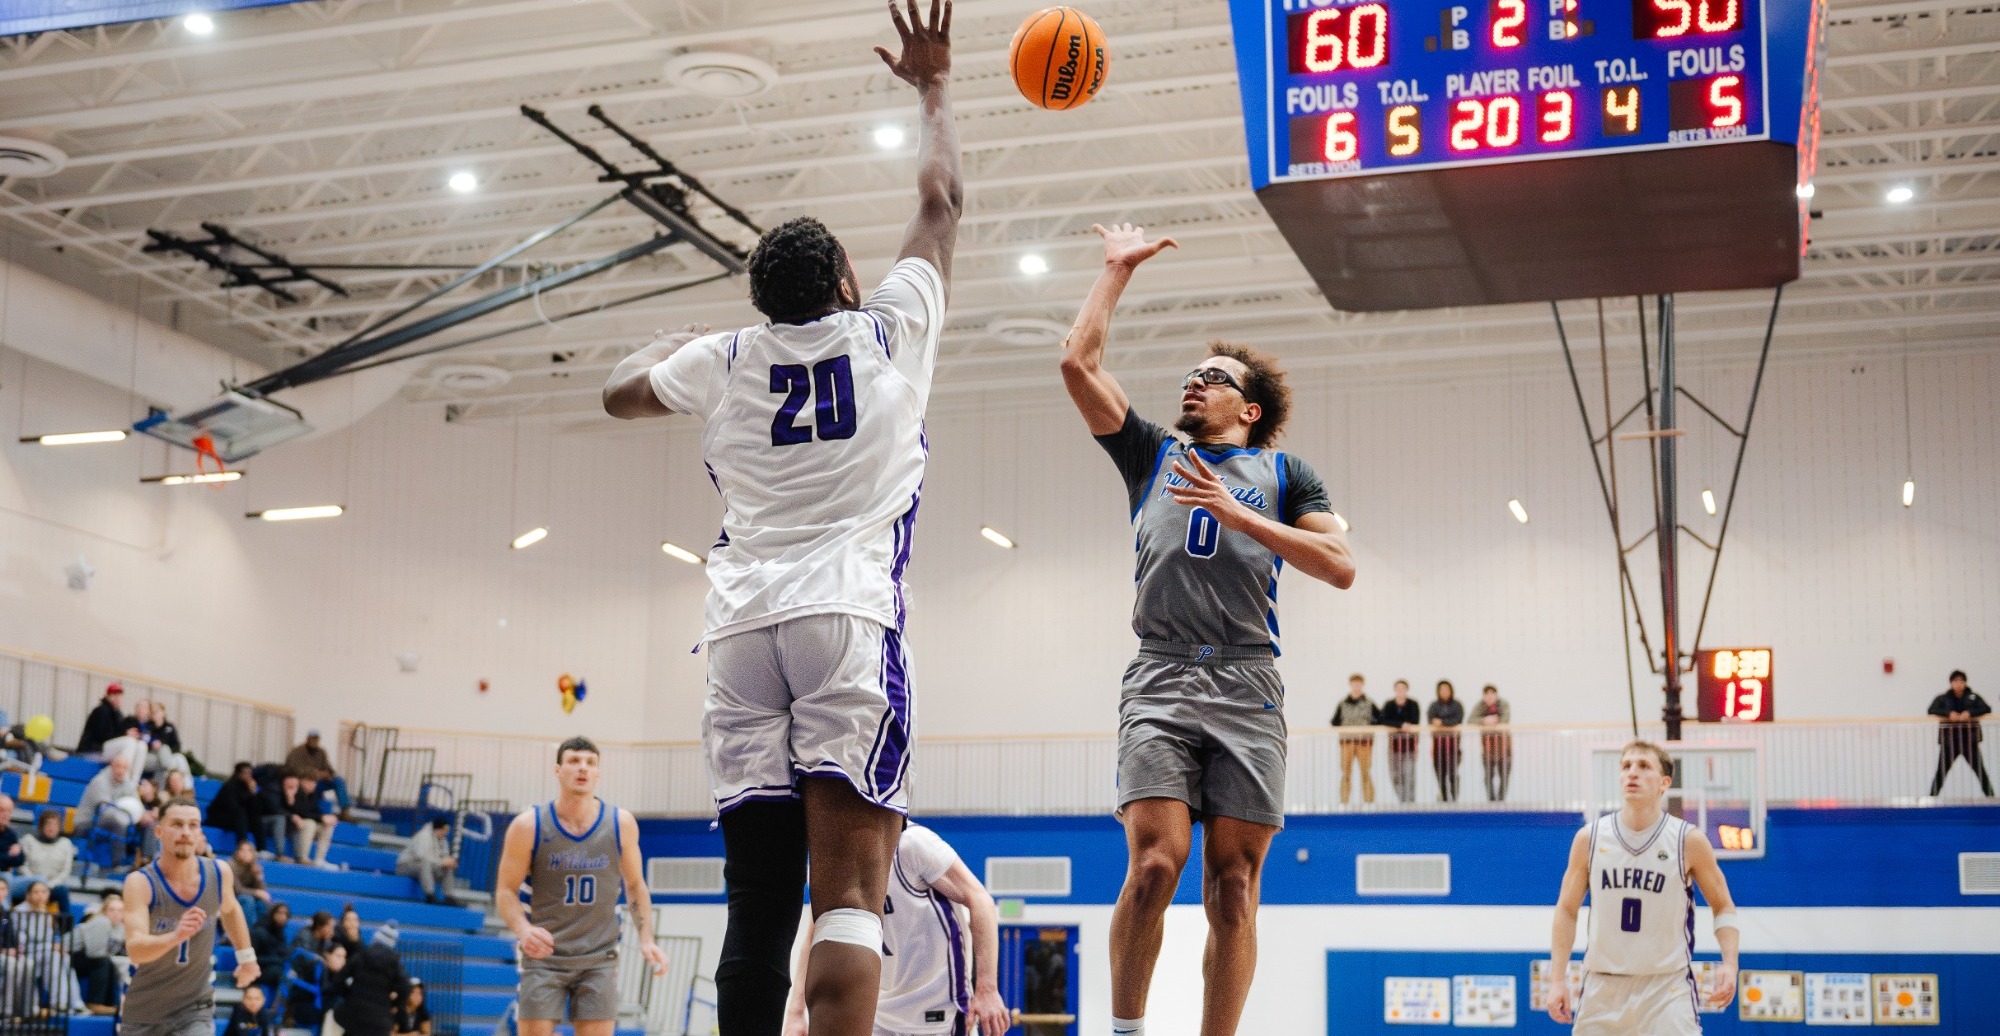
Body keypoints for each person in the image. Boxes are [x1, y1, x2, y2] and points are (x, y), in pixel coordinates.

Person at [597, 4, 962, 1034]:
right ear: (845, 283)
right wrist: (931, 87)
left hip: (739, 631)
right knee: (848, 893)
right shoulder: (886, 333)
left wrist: (666, 346)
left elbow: (618, 393)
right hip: (843, 618)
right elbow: (941, 202)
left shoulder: (724, 361)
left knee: (755, 903)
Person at [1059, 221, 1356, 1036]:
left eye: (1213, 378)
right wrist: (1116, 272)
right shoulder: (1152, 453)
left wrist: (1239, 514)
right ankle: (1124, 1030)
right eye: (1190, 375)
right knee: (1155, 865)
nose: (1193, 383)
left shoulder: (1286, 474)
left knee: (1233, 888)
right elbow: (1076, 366)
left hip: (1247, 677)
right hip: (1159, 674)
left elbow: (1340, 563)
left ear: (1248, 409)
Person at [1548, 741, 1741, 1034]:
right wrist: (1557, 980)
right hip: (1603, 987)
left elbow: (1723, 905)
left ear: (1664, 783)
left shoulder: (1688, 841)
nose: (1632, 773)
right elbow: (1566, 910)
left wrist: (1730, 963)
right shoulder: (1590, 838)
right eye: (1626, 766)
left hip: (1666, 988)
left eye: (1643, 766)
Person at [495, 737, 669, 1036]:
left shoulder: (620, 823)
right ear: (558, 770)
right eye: (574, 761)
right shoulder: (528, 826)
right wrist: (523, 931)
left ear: (598, 773)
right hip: (543, 956)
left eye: (590, 763)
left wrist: (647, 939)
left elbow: (635, 885)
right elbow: (505, 891)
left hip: (598, 958)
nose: (582, 768)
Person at [783, 822, 1011, 1036]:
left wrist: (987, 988)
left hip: (936, 1009)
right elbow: (817, 934)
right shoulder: (836, 856)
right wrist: (795, 1012)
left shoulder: (913, 844)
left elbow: (981, 900)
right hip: (880, 1012)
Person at [120, 796, 260, 1036]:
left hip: (195, 1009)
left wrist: (246, 957)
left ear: (200, 833)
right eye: (177, 824)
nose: (185, 832)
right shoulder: (140, 883)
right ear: (159, 831)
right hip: (145, 1012)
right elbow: (136, 949)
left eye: (193, 825)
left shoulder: (219, 872)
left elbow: (231, 910)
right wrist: (176, 935)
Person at [12, 879, 84, 1013]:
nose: (40, 895)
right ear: (28, 895)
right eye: (36, 892)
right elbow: (22, 939)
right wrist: (51, 946)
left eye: (44, 892)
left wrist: (55, 945)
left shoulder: (48, 911)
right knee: (54, 956)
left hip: (44, 952)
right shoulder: (19, 912)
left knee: (64, 958)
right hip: (27, 952)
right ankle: (59, 1003)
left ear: (49, 894)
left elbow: (51, 936)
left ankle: (76, 1002)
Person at [332, 922, 411, 1036]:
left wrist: (350, 995)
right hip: (379, 1020)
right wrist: (393, 1004)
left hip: (354, 1014)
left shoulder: (361, 955)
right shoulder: (394, 963)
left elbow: (338, 980)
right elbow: (405, 988)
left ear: (375, 938)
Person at [78, 752, 151, 868]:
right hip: (87, 822)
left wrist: (143, 814)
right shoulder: (100, 781)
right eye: (117, 766)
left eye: (124, 768)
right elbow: (104, 810)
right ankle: (118, 864)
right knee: (119, 823)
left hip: (115, 819)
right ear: (111, 766)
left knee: (148, 823)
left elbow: (136, 803)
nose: (120, 770)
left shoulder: (128, 782)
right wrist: (129, 817)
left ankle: (146, 860)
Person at [1928, 670, 1994, 797]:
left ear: (1965, 683)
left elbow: (1986, 708)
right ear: (1951, 683)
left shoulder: (1973, 697)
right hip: (1949, 742)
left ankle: (1992, 800)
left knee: (1981, 772)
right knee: (1940, 773)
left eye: (1961, 681)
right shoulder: (1943, 698)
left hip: (1969, 741)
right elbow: (1932, 709)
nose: (1958, 684)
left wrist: (1970, 713)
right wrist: (1948, 714)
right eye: (1955, 681)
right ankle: (1931, 801)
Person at [71, 890, 126, 1015]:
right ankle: (94, 1002)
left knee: (109, 963)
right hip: (69, 954)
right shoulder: (101, 922)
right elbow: (94, 953)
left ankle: (108, 1004)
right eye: (112, 910)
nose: (116, 914)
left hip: (87, 958)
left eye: (120, 910)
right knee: (103, 962)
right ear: (104, 911)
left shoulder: (120, 927)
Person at [1329, 675, 1379, 806]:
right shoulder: (1343, 703)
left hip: (1364, 743)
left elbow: (1379, 719)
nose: (1356, 687)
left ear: (1362, 685)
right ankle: (1344, 801)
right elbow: (1334, 721)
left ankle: (1369, 802)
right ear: (1350, 685)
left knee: (1365, 772)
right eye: (1354, 684)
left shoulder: (1369, 703)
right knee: (1346, 773)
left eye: (1359, 684)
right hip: (1347, 743)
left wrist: (1366, 730)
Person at [19, 808, 76, 913]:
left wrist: (48, 886)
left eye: (55, 825)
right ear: (41, 826)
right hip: (30, 884)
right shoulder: (28, 840)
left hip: (52, 886)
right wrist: (35, 883)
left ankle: (65, 928)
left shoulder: (66, 843)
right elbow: (22, 865)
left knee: (63, 891)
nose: (52, 828)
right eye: (48, 824)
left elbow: (65, 871)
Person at [285, 731, 352, 819]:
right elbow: (291, 769)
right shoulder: (296, 752)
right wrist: (314, 774)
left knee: (338, 780)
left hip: (319, 782)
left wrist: (328, 774)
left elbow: (329, 768)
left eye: (316, 739)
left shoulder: (321, 752)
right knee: (312, 786)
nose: (314, 742)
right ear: (308, 739)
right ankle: (315, 813)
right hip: (303, 783)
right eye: (312, 739)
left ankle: (345, 811)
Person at [209, 763, 270, 854]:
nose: (248, 775)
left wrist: (253, 792)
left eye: (250, 773)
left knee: (255, 818)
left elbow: (257, 809)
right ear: (238, 773)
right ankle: (242, 847)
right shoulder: (230, 786)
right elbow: (231, 807)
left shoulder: (248, 787)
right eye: (245, 773)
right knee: (240, 813)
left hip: (239, 819)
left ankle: (261, 850)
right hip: (220, 817)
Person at [396, 816, 458, 905]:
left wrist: (449, 862)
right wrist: (442, 862)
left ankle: (449, 897)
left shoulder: (443, 841)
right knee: (425, 864)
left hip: (426, 867)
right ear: (437, 829)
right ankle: (430, 895)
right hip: (405, 866)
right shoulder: (424, 835)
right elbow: (420, 856)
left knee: (447, 867)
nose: (445, 833)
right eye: (443, 831)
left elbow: (444, 858)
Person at [1379, 680, 1422, 804]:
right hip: (1394, 747)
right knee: (1395, 776)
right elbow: (1383, 720)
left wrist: (1400, 724)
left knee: (1409, 776)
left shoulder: (1413, 704)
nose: (1401, 690)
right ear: (1395, 690)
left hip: (1410, 746)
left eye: (1403, 688)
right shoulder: (1389, 704)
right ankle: (1403, 801)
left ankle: (1411, 803)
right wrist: (1400, 725)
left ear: (1407, 690)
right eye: (1398, 688)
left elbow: (1414, 720)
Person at [1473, 684, 1512, 803]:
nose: (1489, 697)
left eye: (1492, 694)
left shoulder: (1503, 704)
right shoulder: (1480, 706)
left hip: (1504, 748)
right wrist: (1485, 720)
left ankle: (1500, 801)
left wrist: (1495, 721)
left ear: (1496, 695)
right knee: (1488, 777)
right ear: (1484, 696)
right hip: (1488, 749)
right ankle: (1491, 801)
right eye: (1487, 694)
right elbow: (1471, 719)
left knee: (1504, 776)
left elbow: (1505, 719)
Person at [1428, 680, 1464, 803]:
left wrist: (1442, 723)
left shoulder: (1457, 705)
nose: (1444, 692)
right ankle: (1444, 798)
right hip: (1438, 747)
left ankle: (1454, 800)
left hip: (1453, 747)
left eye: (1446, 689)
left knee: (1453, 774)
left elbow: (1458, 719)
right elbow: (1431, 720)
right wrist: (1448, 723)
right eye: (1441, 690)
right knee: (1440, 775)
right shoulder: (1433, 706)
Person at [76, 683, 127, 757]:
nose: (117, 698)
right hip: (91, 750)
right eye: (114, 695)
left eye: (119, 696)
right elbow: (102, 736)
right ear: (107, 696)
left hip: (100, 749)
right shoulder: (101, 711)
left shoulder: (118, 715)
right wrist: (125, 734)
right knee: (128, 743)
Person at [232, 840, 272, 924]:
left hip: (246, 896)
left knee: (261, 903)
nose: (245, 853)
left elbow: (263, 891)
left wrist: (258, 877)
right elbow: (237, 890)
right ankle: (246, 933)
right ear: (237, 852)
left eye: (249, 851)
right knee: (248, 901)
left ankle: (258, 932)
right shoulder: (231, 866)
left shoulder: (254, 867)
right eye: (242, 850)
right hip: (231, 898)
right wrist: (257, 892)